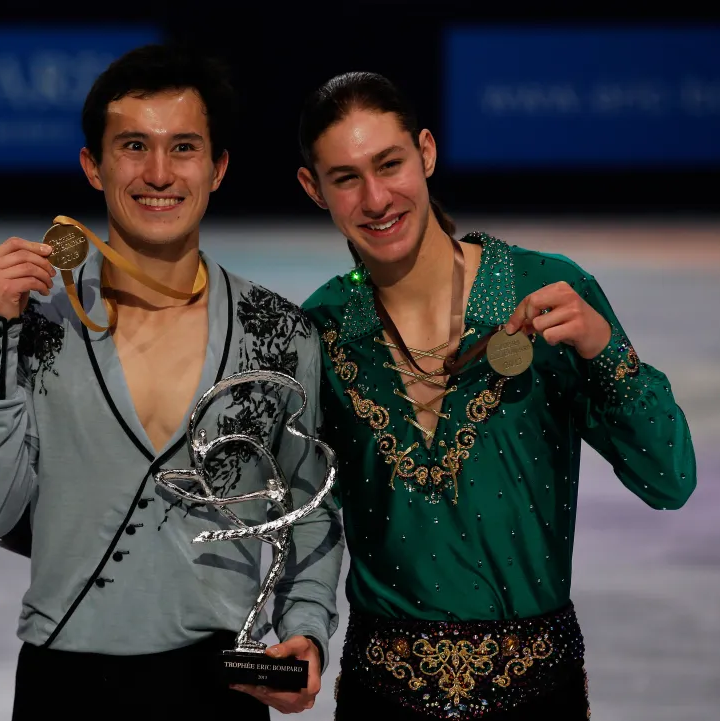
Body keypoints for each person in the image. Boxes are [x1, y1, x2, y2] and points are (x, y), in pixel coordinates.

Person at [0, 44, 344, 719]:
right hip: (63, 681)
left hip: (221, 684)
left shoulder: (277, 333)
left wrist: (305, 629)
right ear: (92, 167)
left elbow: (306, 509)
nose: (158, 173)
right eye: (133, 146)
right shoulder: (36, 327)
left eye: (183, 148)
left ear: (216, 169)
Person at [296, 70, 697, 720]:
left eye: (389, 163)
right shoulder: (324, 327)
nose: (375, 197)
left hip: (538, 696)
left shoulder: (545, 291)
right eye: (345, 177)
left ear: (425, 152)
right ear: (313, 188)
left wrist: (602, 349)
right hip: (381, 698)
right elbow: (304, 506)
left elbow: (670, 476)